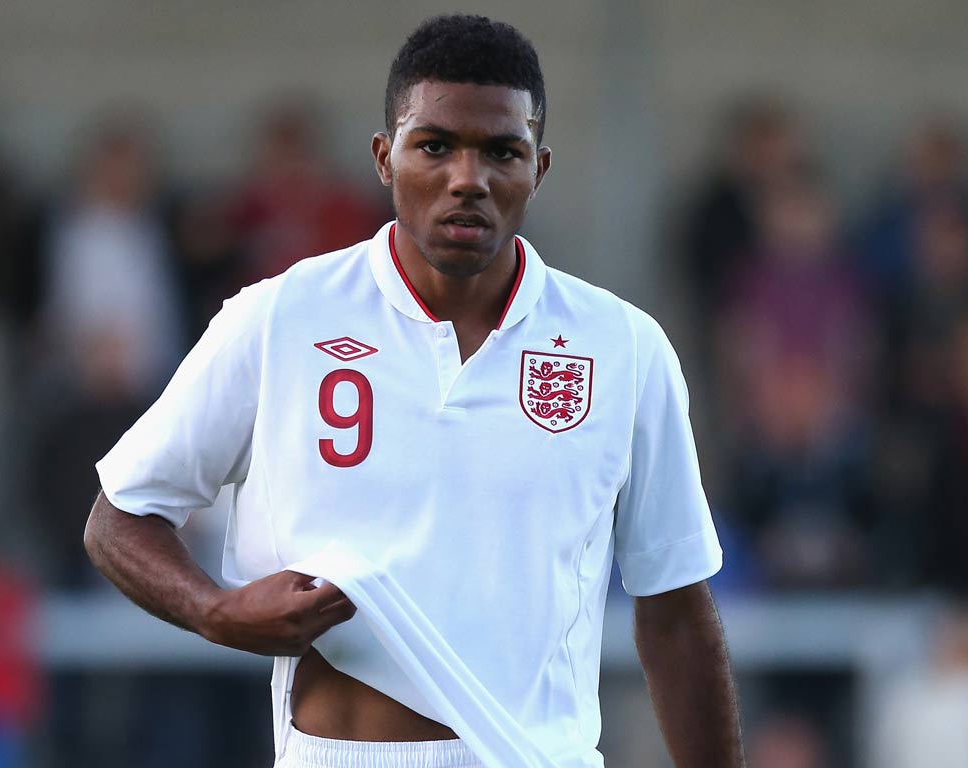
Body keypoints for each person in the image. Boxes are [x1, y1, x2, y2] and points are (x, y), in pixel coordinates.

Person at [84, 14, 744, 768]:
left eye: (502, 151)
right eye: (434, 146)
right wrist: (213, 612)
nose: (469, 178)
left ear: (540, 168)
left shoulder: (624, 347)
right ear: (383, 158)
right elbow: (119, 518)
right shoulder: (280, 317)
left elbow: (675, 612)